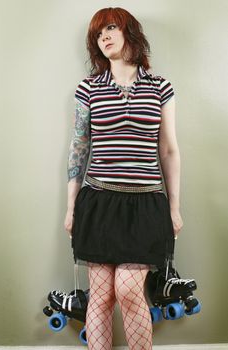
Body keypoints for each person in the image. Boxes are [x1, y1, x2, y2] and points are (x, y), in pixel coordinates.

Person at [64, 7, 183, 350]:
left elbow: (170, 151)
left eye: (111, 27)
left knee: (130, 291)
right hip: (98, 201)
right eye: (98, 34)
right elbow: (78, 148)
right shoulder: (88, 89)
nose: (104, 37)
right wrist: (71, 208)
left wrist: (174, 207)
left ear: (130, 31)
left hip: (146, 203)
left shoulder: (161, 87)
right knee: (100, 299)